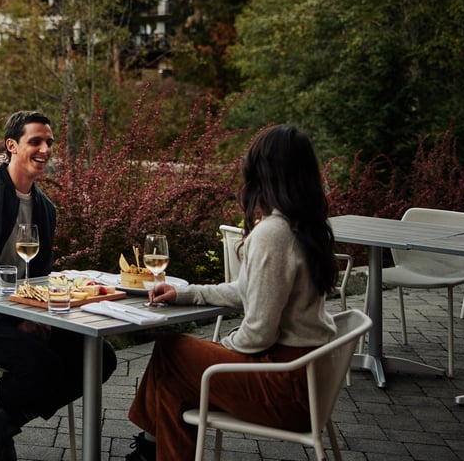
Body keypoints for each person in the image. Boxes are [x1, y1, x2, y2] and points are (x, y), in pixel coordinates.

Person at [124, 124, 339, 461]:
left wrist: (219, 353)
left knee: (171, 350)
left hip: (285, 388)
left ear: (262, 175)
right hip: (311, 383)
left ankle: (149, 445)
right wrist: (186, 293)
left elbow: (258, 334)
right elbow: (247, 290)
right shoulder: (305, 226)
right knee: (172, 382)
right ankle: (150, 449)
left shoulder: (273, 233)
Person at [0, 110, 118, 461]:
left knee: (100, 358)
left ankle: (0, 413)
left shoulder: (45, 209)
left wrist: (44, 316)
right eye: (36, 141)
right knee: (39, 363)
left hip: (21, 314)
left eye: (49, 142)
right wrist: (16, 320)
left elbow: (41, 277)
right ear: (12, 146)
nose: (45, 149)